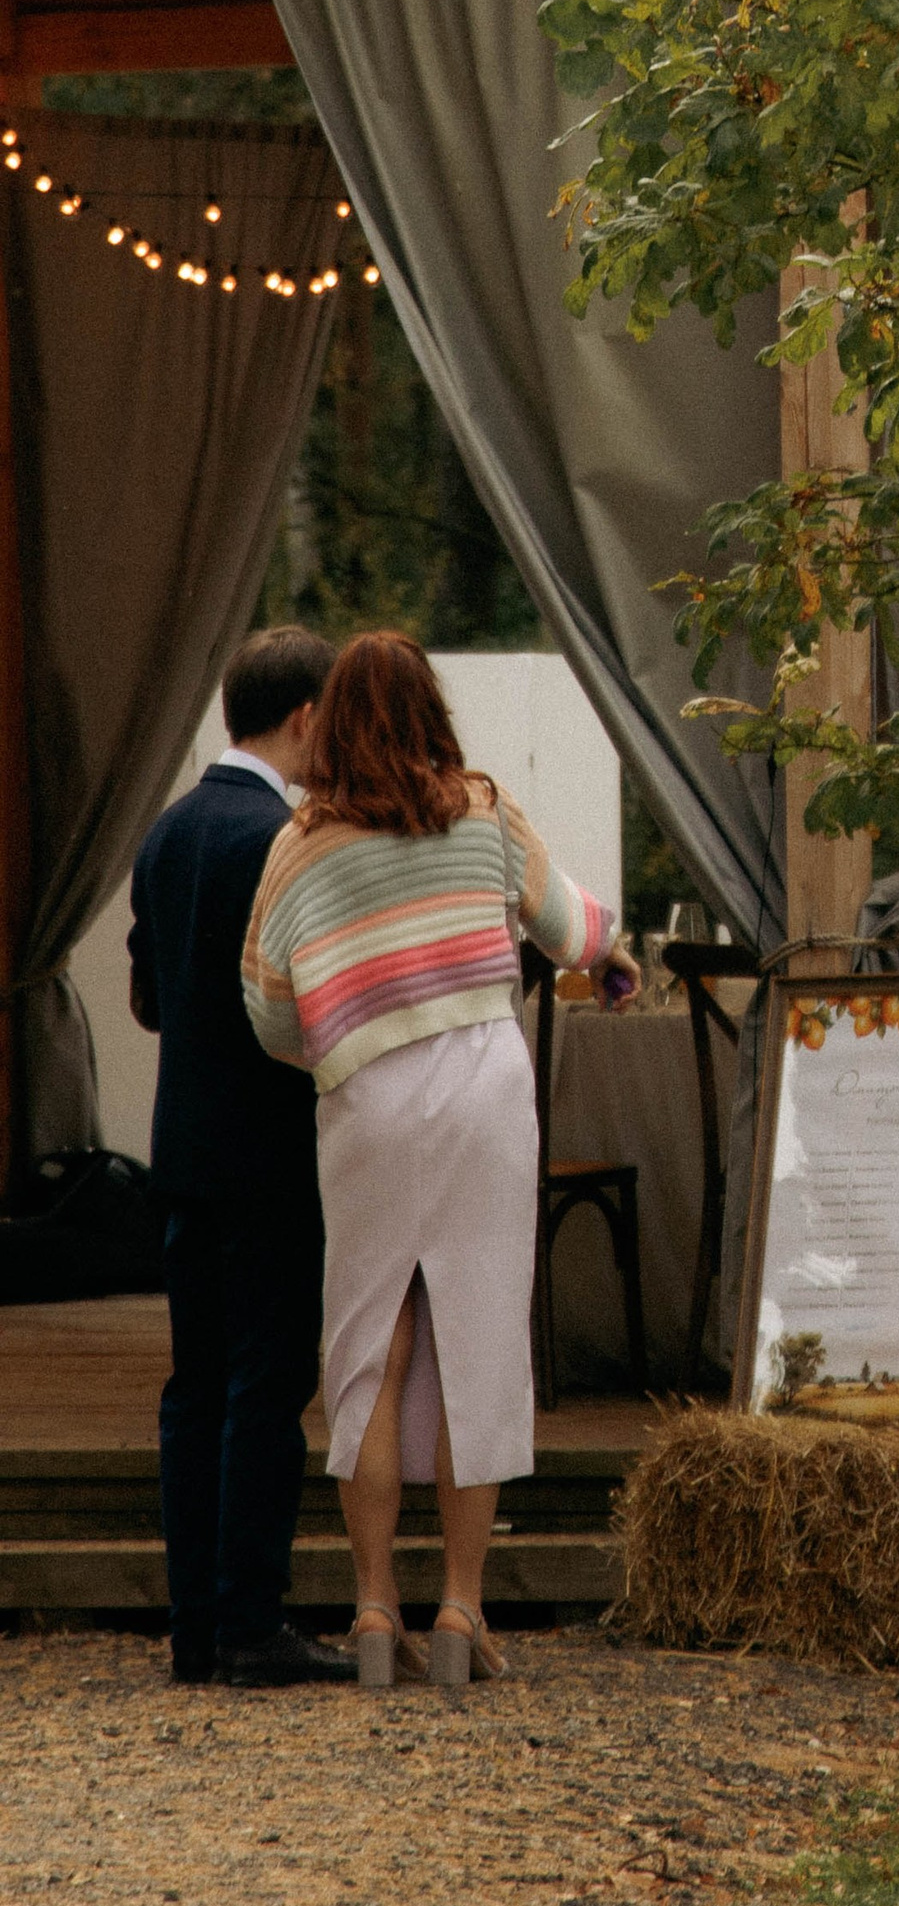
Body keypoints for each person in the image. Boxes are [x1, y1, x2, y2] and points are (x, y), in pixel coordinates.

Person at [241, 631, 637, 1693]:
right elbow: (569, 928)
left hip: (366, 1098)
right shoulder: (483, 810)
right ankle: (462, 1606)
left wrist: (336, 1039)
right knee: (478, 1337)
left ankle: (374, 1608)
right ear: (430, 711)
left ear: (331, 717)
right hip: (483, 1088)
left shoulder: (303, 844)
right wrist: (612, 955)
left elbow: (269, 1009)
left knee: (370, 1347)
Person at [128, 624, 354, 1689]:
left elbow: (145, 999)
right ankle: (252, 1619)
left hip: (181, 1152)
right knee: (267, 1385)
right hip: (270, 1151)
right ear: (306, 716)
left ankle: (193, 1627)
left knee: (194, 1389)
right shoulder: (285, 838)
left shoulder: (167, 832)